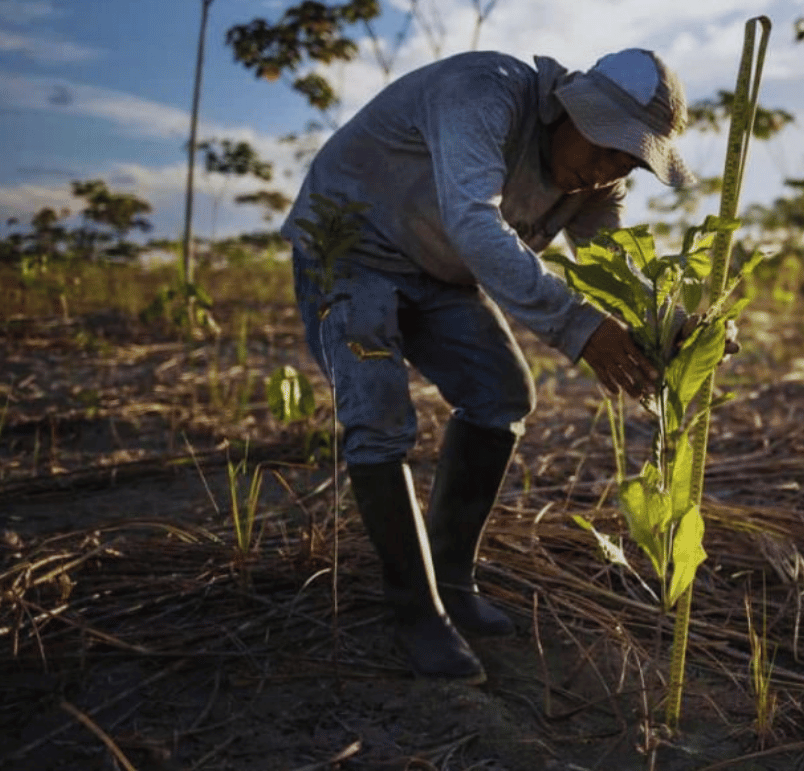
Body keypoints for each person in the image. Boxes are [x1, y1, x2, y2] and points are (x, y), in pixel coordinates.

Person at [280, 48, 696, 683]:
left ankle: (450, 578)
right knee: (381, 417)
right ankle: (416, 613)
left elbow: (614, 265)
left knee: (502, 394)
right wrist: (579, 329)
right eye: (605, 144)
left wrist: (671, 325)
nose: (607, 168)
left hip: (438, 270)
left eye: (627, 159)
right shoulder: (485, 92)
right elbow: (474, 223)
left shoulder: (594, 183)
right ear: (571, 109)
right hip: (350, 247)